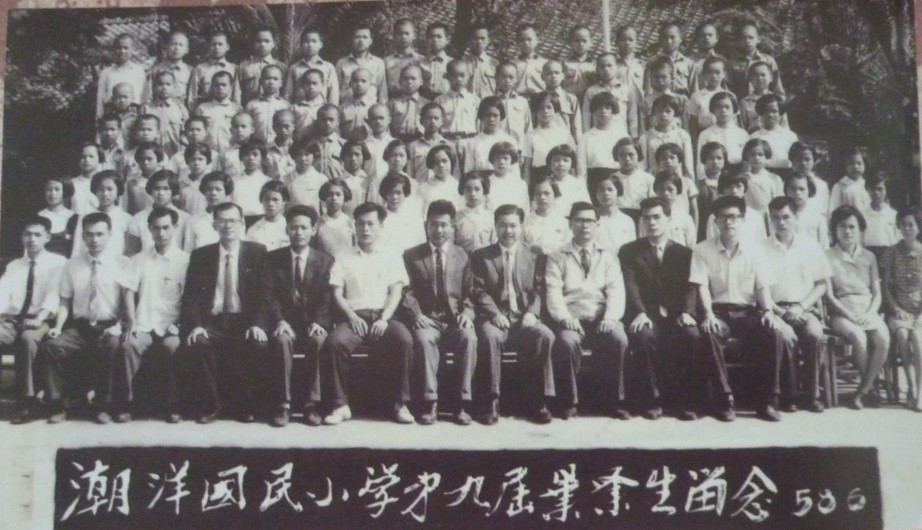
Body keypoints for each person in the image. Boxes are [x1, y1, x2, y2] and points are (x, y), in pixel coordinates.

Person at [690, 195, 785, 422]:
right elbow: (701, 286)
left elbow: (762, 287)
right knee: (709, 333)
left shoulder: (756, 250)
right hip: (718, 312)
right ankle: (724, 400)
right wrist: (708, 314)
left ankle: (767, 402)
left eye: (733, 217)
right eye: (723, 217)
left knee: (773, 332)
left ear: (742, 220)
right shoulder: (702, 250)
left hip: (748, 313)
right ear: (715, 221)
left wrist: (769, 312)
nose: (728, 222)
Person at [321, 202, 415, 425]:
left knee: (404, 340)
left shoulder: (392, 255)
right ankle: (340, 405)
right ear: (354, 226)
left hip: (384, 316)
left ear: (381, 226)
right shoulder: (342, 256)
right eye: (361, 224)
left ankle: (400, 404)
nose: (365, 229)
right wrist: (351, 317)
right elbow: (337, 293)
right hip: (354, 317)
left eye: (371, 224)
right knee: (334, 343)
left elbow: (396, 291)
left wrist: (384, 318)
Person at [180, 202, 270, 424]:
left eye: (233, 221)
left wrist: (258, 324)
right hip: (213, 321)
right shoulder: (201, 255)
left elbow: (264, 295)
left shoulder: (257, 252)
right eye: (222, 221)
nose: (228, 226)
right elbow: (191, 296)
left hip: (244, 320)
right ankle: (211, 406)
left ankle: (246, 406)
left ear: (242, 223)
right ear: (214, 225)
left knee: (257, 343)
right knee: (198, 342)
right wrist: (197, 325)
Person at [39, 213, 127, 424]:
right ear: (83, 236)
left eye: (100, 234)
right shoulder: (72, 264)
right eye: (89, 234)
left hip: (109, 325)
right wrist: (58, 326)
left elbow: (127, 301)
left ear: (109, 234)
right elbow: (65, 300)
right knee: (53, 345)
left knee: (112, 346)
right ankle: (60, 405)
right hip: (81, 326)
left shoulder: (121, 263)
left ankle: (104, 406)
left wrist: (120, 324)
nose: (95, 239)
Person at [472, 204, 556, 424]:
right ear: (495, 226)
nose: (508, 231)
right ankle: (491, 400)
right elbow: (478, 291)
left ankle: (538, 401)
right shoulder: (482, 256)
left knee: (544, 335)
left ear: (521, 227)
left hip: (523, 317)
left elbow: (540, 289)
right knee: (490, 336)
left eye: (513, 226)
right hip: (495, 317)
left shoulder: (535, 254)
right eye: (503, 225)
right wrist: (494, 314)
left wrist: (532, 313)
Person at [619, 198, 700, 420]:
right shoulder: (629, 251)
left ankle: (685, 401)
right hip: (645, 313)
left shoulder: (684, 253)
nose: (651, 222)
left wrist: (687, 312)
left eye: (657, 217)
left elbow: (691, 286)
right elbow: (630, 285)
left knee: (691, 335)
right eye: (646, 218)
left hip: (676, 314)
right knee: (643, 336)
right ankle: (651, 400)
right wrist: (639, 312)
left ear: (668, 219)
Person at [546, 202, 629, 419]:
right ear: (570, 224)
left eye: (590, 221)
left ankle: (615, 401)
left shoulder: (608, 256)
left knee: (618, 338)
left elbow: (616, 290)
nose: (585, 226)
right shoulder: (557, 256)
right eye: (580, 220)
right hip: (571, 316)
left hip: (601, 316)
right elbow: (553, 291)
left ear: (597, 225)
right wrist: (564, 318)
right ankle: (568, 402)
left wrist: (610, 317)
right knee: (567, 342)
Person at [401, 200, 477, 425]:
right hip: (428, 319)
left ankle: (462, 403)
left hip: (455, 319)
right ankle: (430, 402)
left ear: (453, 227)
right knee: (424, 340)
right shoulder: (412, 255)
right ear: (426, 226)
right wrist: (417, 315)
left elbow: (471, 291)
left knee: (469, 338)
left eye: (444, 225)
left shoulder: (462, 255)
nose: (439, 230)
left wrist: (467, 313)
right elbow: (406, 290)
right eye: (434, 224)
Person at [115, 207, 189, 423]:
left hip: (172, 325)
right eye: (156, 228)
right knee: (128, 345)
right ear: (149, 229)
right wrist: (131, 322)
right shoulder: (139, 259)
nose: (161, 233)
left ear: (175, 228)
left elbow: (191, 299)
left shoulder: (186, 260)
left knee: (172, 347)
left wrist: (180, 325)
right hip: (144, 323)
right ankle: (127, 404)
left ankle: (173, 405)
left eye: (166, 228)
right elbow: (128, 291)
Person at [262, 205, 334, 427]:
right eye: (294, 227)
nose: (299, 232)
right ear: (287, 230)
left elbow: (327, 297)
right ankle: (283, 404)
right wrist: (280, 321)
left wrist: (319, 322)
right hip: (285, 324)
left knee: (318, 340)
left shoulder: (325, 261)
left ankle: (311, 405)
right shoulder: (272, 259)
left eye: (304, 227)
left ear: (313, 230)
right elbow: (268, 295)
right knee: (282, 341)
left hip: (312, 323)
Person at [763, 197, 831, 413]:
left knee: (814, 334)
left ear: (795, 217)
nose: (781, 222)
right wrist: (780, 311)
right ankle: (789, 395)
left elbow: (821, 285)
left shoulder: (810, 246)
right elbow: (759, 289)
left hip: (805, 308)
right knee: (786, 337)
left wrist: (801, 307)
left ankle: (812, 395)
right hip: (775, 309)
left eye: (786, 217)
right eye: (776, 218)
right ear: (770, 219)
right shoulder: (761, 248)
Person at [825, 205, 891, 409]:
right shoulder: (827, 256)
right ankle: (870, 389)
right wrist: (850, 315)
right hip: (841, 312)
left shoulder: (869, 257)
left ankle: (863, 390)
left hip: (868, 310)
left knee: (883, 338)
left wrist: (870, 313)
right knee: (859, 337)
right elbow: (829, 295)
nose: (847, 231)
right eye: (842, 226)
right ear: (834, 229)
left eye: (852, 227)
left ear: (860, 229)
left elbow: (877, 293)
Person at [2, 217, 67, 424]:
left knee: (28, 340)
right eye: (27, 234)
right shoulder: (14, 266)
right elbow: (3, 294)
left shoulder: (58, 263)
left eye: (37, 235)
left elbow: (54, 294)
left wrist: (39, 318)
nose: (32, 239)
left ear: (47, 237)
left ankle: (27, 402)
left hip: (42, 319)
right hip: (13, 320)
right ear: (22, 237)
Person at [881, 205, 922, 411]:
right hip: (898, 311)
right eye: (903, 224)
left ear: (918, 227)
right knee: (903, 335)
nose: (907, 228)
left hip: (920, 312)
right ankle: (911, 388)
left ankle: (920, 392)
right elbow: (885, 286)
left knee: (918, 338)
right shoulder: (892, 252)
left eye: (911, 225)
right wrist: (896, 308)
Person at [96, 34, 146, 118]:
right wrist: (98, 118)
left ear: (132, 49)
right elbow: (100, 98)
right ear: (114, 50)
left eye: (126, 48)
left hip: (133, 112)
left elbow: (144, 96)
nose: (122, 51)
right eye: (119, 48)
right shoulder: (106, 72)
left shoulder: (139, 71)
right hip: (111, 113)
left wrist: (143, 116)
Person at [141, 71, 189, 158]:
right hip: (151, 155)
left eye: (168, 84)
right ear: (154, 86)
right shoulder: (146, 108)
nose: (164, 87)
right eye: (160, 84)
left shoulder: (180, 109)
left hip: (174, 153)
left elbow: (185, 134)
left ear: (174, 86)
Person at [336, 24, 388, 103]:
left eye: (365, 37)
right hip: (346, 106)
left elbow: (382, 91)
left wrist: (381, 107)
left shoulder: (378, 63)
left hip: (371, 107)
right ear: (352, 40)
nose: (361, 40)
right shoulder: (341, 63)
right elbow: (336, 90)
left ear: (371, 41)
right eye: (357, 37)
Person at [285, 29, 338, 105]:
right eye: (306, 41)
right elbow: (288, 94)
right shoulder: (294, 68)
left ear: (321, 44)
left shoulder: (328, 67)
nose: (310, 45)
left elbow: (333, 93)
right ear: (301, 45)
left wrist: (331, 109)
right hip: (299, 108)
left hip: (321, 108)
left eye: (314, 41)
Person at [194, 71, 243, 154]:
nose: (220, 88)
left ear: (231, 87)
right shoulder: (202, 108)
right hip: (208, 152)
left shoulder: (237, 109)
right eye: (217, 85)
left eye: (224, 85)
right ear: (212, 87)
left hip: (231, 152)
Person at [188, 32, 240, 107]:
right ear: (209, 47)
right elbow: (193, 95)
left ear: (227, 47)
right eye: (213, 44)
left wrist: (236, 110)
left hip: (228, 109)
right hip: (206, 109)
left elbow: (236, 94)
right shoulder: (200, 68)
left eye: (220, 44)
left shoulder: (233, 68)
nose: (216, 47)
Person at [239, 27, 288, 106]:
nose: (262, 44)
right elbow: (237, 92)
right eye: (258, 41)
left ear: (274, 43)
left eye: (267, 41)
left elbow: (286, 93)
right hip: (250, 107)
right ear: (253, 43)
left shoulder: (282, 67)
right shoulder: (244, 67)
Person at [434, 60, 480, 141]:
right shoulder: (439, 101)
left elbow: (479, 125)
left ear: (468, 76)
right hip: (447, 140)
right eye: (454, 76)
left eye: (462, 75)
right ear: (447, 77)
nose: (459, 79)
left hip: (469, 140)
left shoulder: (475, 100)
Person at [245, 65, 291, 144]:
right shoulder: (252, 105)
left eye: (275, 79)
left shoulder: (285, 105)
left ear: (281, 83)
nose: (271, 82)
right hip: (257, 146)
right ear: (261, 81)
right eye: (267, 78)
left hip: (278, 146)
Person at [144, 31, 192, 105]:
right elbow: (149, 95)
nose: (176, 48)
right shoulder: (157, 70)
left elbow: (192, 96)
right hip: (160, 107)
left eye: (181, 45)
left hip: (182, 108)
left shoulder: (190, 71)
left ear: (187, 50)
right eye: (173, 44)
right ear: (166, 47)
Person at [38, 177, 79, 257]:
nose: (53, 193)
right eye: (49, 189)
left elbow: (76, 250)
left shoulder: (75, 218)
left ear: (65, 191)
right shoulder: (39, 217)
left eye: (57, 189)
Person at [315, 178, 356, 257]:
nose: (334, 198)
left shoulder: (351, 223)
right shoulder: (318, 224)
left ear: (344, 197)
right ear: (325, 197)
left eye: (338, 194)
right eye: (330, 194)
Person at [384, 18, 425, 97]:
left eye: (407, 33)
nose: (403, 37)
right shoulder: (386, 61)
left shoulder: (421, 60)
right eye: (399, 34)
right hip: (392, 99)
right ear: (394, 36)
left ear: (414, 35)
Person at [246, 180, 290, 252]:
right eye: (266, 199)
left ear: (284, 201)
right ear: (261, 201)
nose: (270, 204)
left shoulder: (290, 226)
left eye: (275, 200)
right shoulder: (254, 230)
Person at [387, 64, 428, 142]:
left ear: (421, 81)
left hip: (420, 140)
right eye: (405, 79)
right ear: (400, 82)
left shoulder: (427, 104)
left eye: (413, 78)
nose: (409, 82)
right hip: (398, 140)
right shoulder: (392, 103)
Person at [828, 146, 871, 215]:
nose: (855, 167)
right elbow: (833, 210)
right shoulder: (839, 187)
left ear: (865, 164)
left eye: (859, 163)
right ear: (846, 166)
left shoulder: (868, 185)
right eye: (851, 163)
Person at [463, 22, 497, 98]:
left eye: (482, 38)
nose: (479, 41)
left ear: (488, 40)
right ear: (469, 40)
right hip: (467, 102)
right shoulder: (462, 63)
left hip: (488, 103)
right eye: (475, 38)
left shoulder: (494, 64)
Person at [420, 22, 453, 98]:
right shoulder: (420, 63)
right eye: (431, 37)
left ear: (447, 40)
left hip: (445, 101)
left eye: (439, 37)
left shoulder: (452, 63)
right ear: (426, 39)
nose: (435, 40)